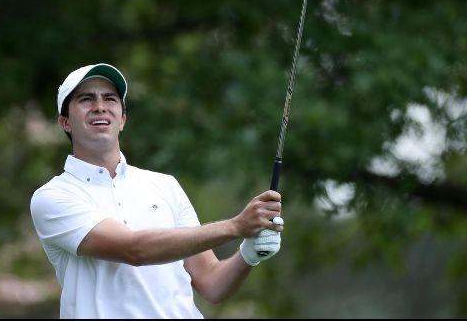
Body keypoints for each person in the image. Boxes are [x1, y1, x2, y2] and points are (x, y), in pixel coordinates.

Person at [30, 63, 284, 319]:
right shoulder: (53, 197)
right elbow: (134, 250)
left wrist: (248, 254)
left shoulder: (165, 185)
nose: (100, 106)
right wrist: (236, 226)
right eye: (86, 99)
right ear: (65, 122)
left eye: (110, 99)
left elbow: (211, 282)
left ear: (123, 120)